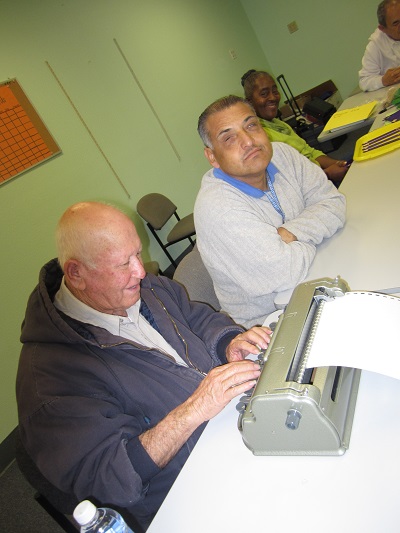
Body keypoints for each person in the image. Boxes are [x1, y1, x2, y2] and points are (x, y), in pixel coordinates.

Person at [16, 201, 271, 532]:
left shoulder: (143, 288)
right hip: (191, 493)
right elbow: (108, 480)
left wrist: (228, 341)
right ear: (76, 274)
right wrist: (194, 409)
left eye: (137, 253)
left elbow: (196, 316)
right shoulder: (50, 378)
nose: (141, 270)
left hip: (234, 429)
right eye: (124, 263)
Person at [194, 95, 346, 328]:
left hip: (318, 276)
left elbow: (334, 203)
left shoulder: (283, 155)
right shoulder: (218, 209)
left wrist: (289, 233)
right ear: (212, 156)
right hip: (273, 322)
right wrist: (314, 228)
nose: (248, 141)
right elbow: (285, 272)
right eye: (229, 137)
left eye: (251, 126)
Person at [242, 70, 349, 186]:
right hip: (311, 187)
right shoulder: (260, 137)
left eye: (274, 91)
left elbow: (309, 151)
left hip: (320, 176)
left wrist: (339, 163)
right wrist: (327, 174)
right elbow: (287, 179)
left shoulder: (279, 124)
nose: (273, 97)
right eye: (264, 94)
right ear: (249, 102)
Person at [359, 0, 400, 91]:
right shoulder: (375, 45)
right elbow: (364, 81)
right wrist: (383, 80)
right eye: (396, 23)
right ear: (383, 29)